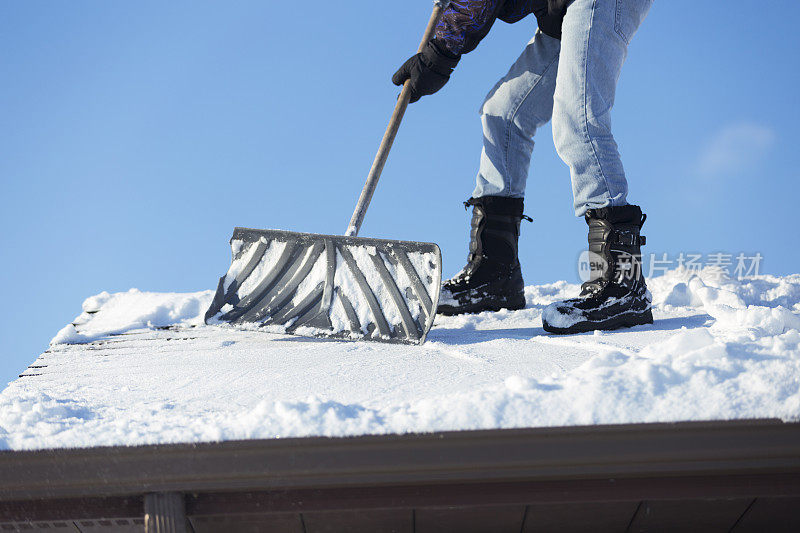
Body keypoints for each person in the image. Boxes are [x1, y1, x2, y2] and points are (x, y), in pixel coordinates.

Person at [392, 0, 654, 334]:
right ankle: (495, 273)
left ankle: (623, 284)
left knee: (579, 121)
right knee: (503, 115)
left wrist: (438, 54)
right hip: (561, 11)